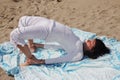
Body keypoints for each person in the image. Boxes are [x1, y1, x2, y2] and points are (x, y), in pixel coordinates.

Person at [10, 16, 110, 66]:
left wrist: (40, 61)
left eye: (91, 42)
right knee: (23, 20)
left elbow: (60, 59)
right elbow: (60, 46)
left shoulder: (78, 54)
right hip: (49, 22)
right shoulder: (79, 41)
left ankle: (30, 58)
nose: (88, 40)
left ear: (91, 50)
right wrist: (40, 45)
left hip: (47, 31)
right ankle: (31, 45)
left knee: (15, 35)